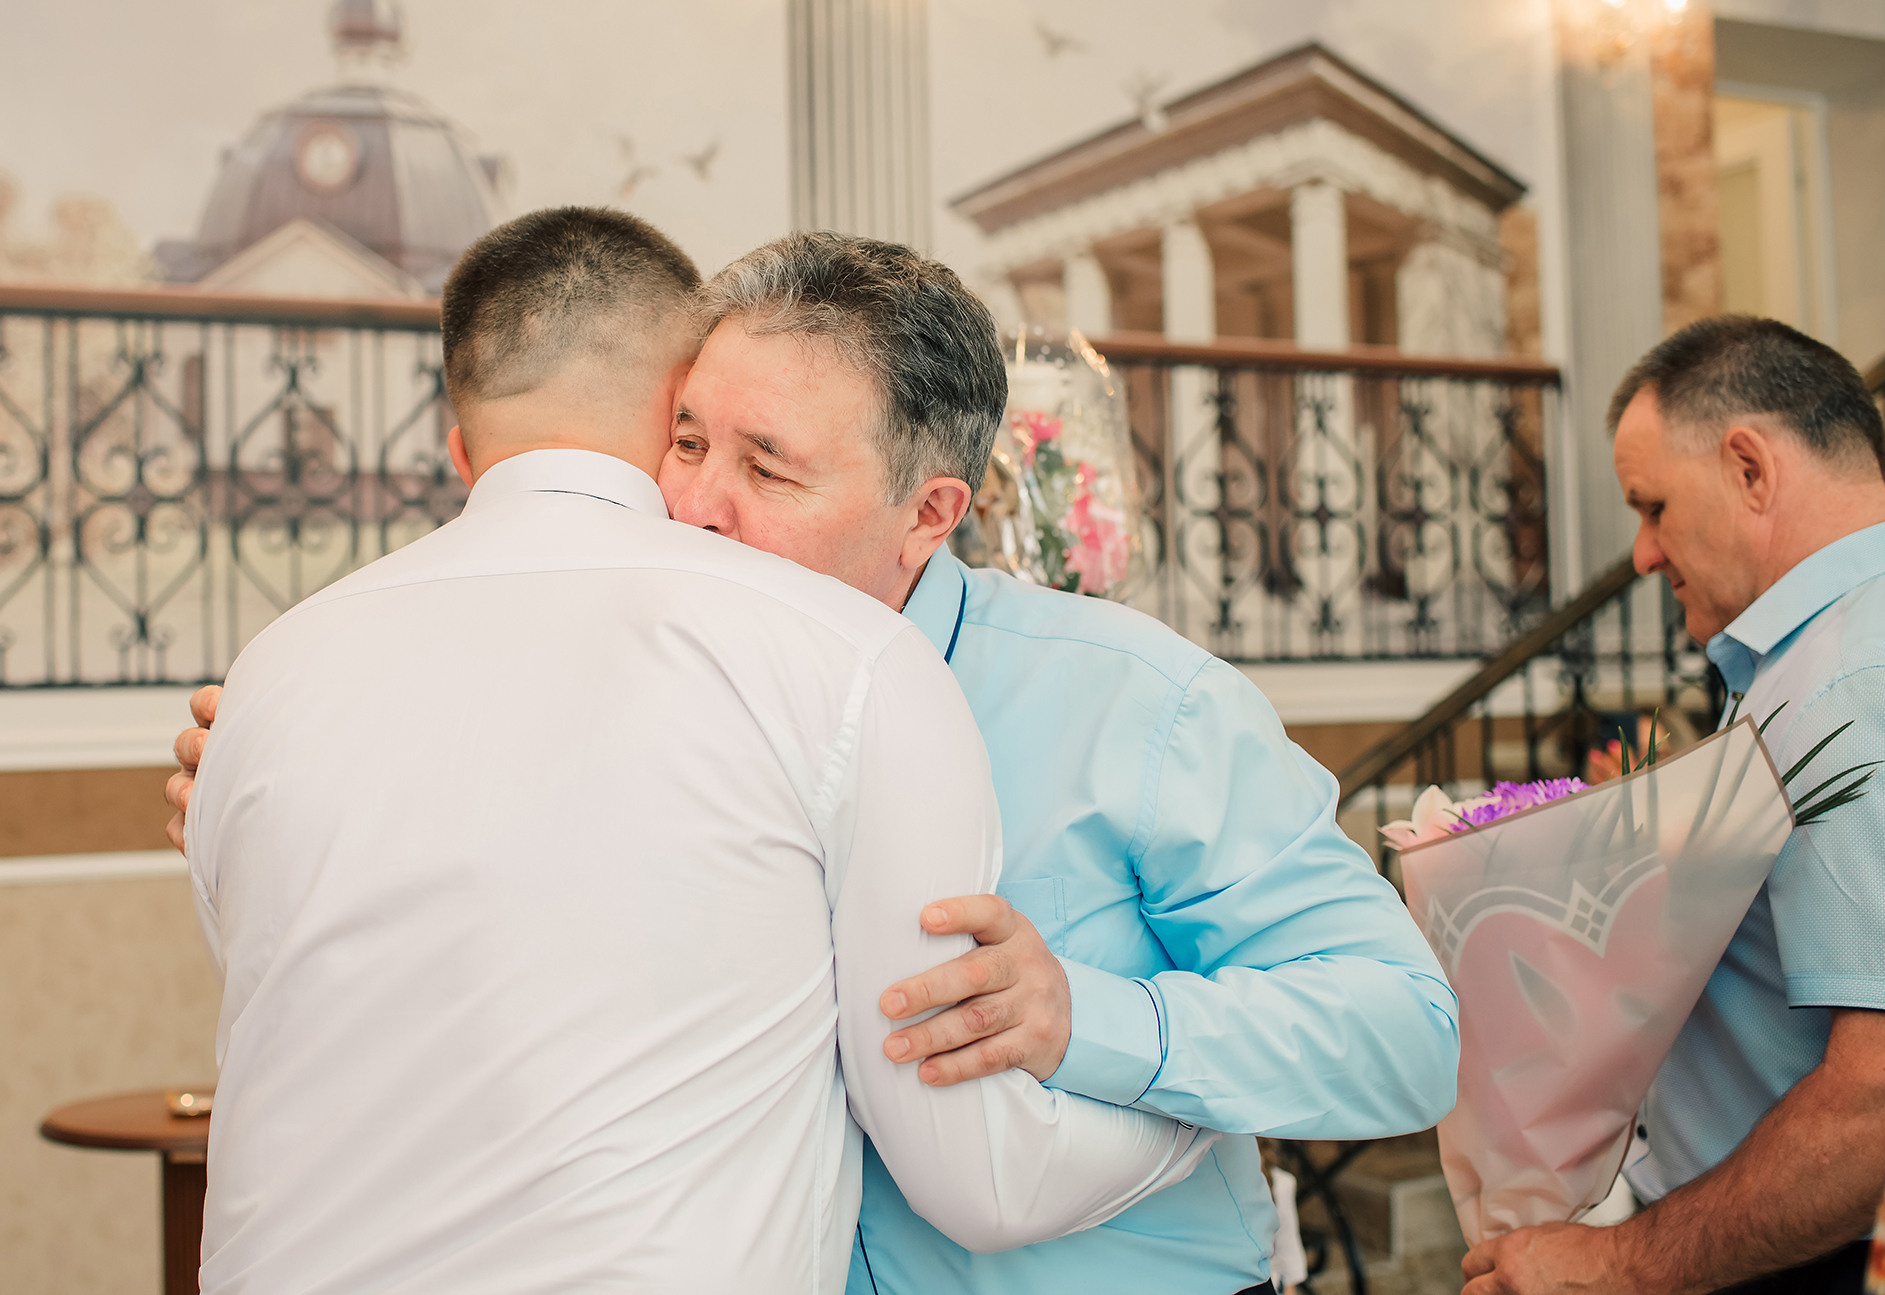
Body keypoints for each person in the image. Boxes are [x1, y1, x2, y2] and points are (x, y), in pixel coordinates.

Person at [171, 230, 1459, 1295]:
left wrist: (1092, 1018)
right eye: (685, 443)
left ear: (929, 512)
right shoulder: (653, 673)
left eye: (766, 467)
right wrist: (275, 775)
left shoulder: (1139, 705)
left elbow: (1406, 1033)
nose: (695, 504)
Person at [1462, 316, 1885, 1295]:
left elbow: (1883, 1104)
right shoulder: (1855, 646)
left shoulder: (1854, 683)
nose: (1640, 553)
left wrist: (1617, 1263)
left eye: (1651, 506)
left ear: (1748, 467)